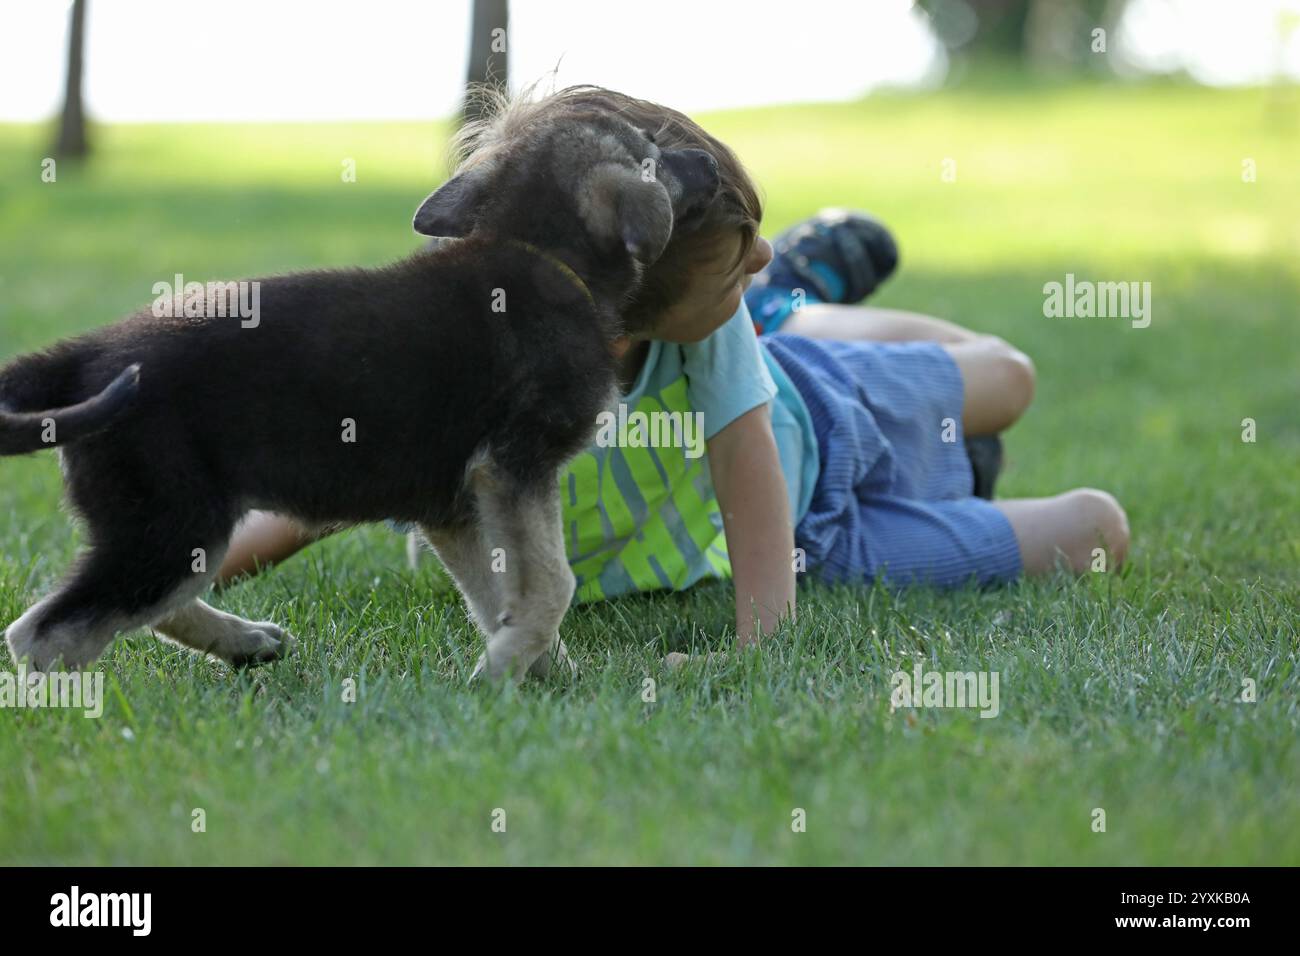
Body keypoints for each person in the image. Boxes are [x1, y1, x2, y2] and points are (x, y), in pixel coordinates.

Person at [217, 86, 1129, 651]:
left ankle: (802, 302)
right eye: (741, 258)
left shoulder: (708, 331)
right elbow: (314, 491)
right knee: (1095, 531)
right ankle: (794, 310)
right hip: (824, 548)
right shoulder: (461, 379)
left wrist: (756, 651)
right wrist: (197, 563)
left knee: (1007, 380)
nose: (754, 254)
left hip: (821, 410)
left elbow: (747, 467)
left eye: (757, 249)